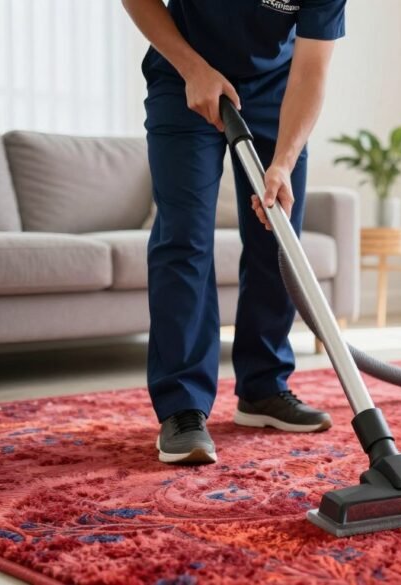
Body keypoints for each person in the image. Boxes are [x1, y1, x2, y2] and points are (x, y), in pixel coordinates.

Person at [122, 0, 345, 464]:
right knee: (185, 238)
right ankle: (182, 405)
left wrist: (283, 162)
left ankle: (264, 387)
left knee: (277, 233)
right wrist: (192, 68)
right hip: (184, 74)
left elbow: (310, 72)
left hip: (275, 88)